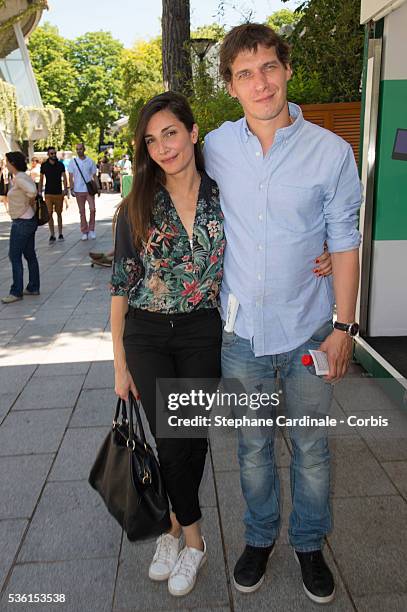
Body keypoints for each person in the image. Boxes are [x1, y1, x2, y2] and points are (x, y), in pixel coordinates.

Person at [110, 91, 332, 598]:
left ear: (193, 134)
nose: (164, 147)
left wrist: (322, 248)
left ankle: (174, 528)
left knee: (189, 437)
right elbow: (121, 288)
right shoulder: (137, 204)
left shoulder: (225, 192)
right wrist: (119, 363)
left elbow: (275, 228)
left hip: (202, 330)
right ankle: (191, 538)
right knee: (170, 437)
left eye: (171, 133)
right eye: (151, 140)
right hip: (145, 333)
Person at [203, 23, 361, 605]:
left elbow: (345, 239)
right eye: (245, 73)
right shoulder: (215, 147)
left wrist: (346, 326)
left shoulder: (331, 151)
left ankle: (310, 544)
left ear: (286, 69)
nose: (260, 82)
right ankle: (259, 537)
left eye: (268, 66)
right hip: (242, 334)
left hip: (310, 329)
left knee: (312, 445)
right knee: (252, 446)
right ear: (231, 86)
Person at [1, 151, 40, 304]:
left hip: (22, 222)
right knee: (30, 255)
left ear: (13, 163)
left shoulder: (19, 178)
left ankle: (16, 291)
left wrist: (24, 206)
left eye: (7, 162)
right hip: (28, 220)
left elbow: (32, 192)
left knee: (14, 256)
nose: (6, 165)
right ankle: (33, 286)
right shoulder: (23, 176)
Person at [68, 143, 100, 240]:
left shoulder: (90, 161)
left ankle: (92, 229)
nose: (79, 151)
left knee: (92, 209)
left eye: (80, 149)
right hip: (78, 190)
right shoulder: (73, 162)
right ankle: (84, 231)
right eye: (77, 149)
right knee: (82, 211)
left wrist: (98, 188)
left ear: (84, 149)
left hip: (89, 189)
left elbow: (94, 176)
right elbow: (70, 176)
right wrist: (72, 188)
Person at [39, 146, 68, 242]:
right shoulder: (44, 165)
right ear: (48, 155)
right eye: (51, 153)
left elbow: (64, 177)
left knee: (59, 213)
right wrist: (39, 191)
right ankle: (52, 234)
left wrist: (65, 189)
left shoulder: (60, 165)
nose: (53, 155)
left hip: (59, 192)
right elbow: (41, 179)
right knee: (49, 214)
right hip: (48, 193)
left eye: (55, 153)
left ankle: (60, 233)